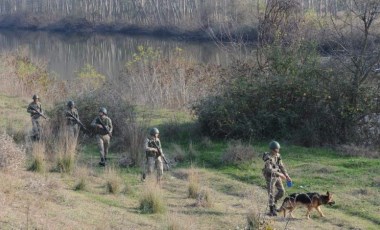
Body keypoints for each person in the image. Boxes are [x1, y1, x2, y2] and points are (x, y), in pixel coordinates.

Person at [262, 141, 292, 216]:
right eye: (276, 149)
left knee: (282, 191)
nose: (278, 150)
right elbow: (269, 169)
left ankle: (273, 202)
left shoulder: (278, 156)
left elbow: (281, 166)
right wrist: (280, 174)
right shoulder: (267, 157)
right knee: (271, 193)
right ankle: (271, 210)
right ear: (272, 149)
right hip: (270, 177)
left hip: (277, 176)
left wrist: (287, 176)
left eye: (278, 149)